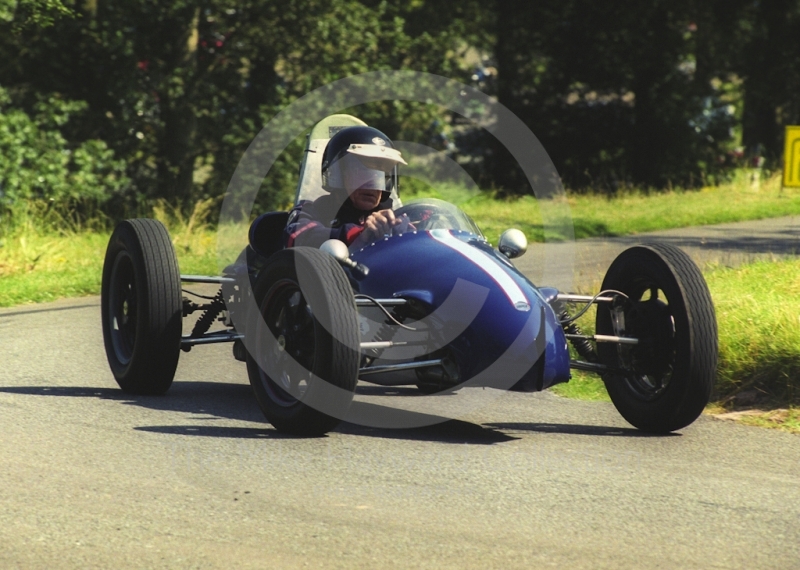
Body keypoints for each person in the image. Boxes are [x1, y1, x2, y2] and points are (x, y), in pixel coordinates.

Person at [283, 126, 411, 249]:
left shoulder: (396, 219)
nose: (373, 181)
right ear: (337, 173)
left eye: (381, 174)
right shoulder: (311, 210)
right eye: (362, 171)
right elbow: (296, 237)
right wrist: (359, 234)